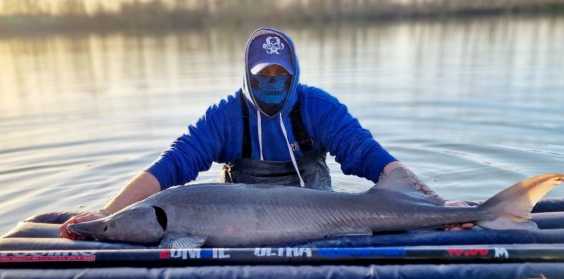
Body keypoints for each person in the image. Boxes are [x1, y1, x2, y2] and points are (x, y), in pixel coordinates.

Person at [60, 27, 471, 239]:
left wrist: (438, 207)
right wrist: (110, 214)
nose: (272, 83)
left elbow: (371, 158)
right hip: (242, 220)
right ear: (247, 76)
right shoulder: (226, 116)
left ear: (293, 74)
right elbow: (173, 165)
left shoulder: (318, 108)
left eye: (280, 75)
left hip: (320, 215)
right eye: (262, 76)